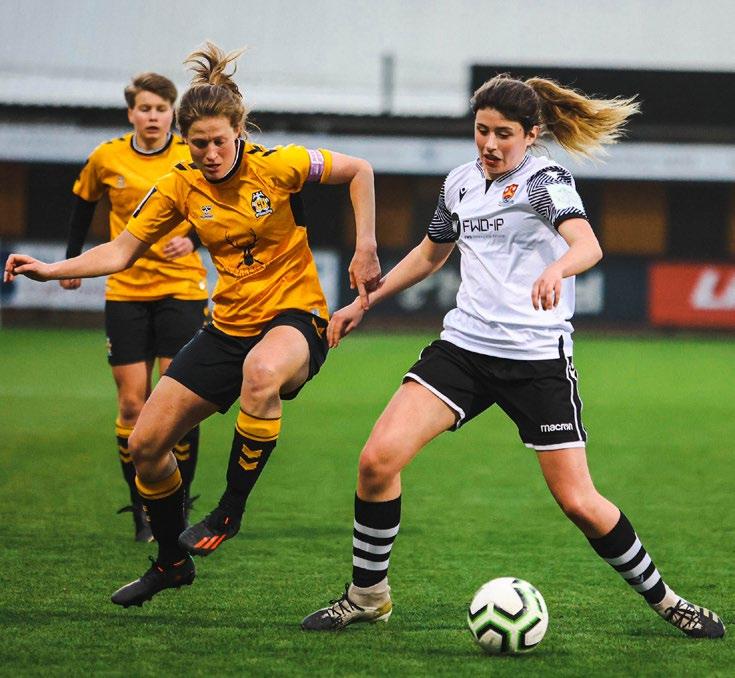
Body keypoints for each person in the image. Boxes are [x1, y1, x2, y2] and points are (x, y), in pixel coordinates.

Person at [299, 74, 725, 640]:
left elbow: (588, 245)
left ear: (531, 134)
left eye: (504, 134)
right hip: (464, 350)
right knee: (377, 462)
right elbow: (430, 254)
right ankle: (367, 597)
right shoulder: (459, 184)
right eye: (482, 131)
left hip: (536, 361)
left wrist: (557, 268)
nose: (490, 144)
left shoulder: (545, 181)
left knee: (579, 502)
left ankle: (669, 602)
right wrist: (364, 302)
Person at [4, 42, 381, 608]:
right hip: (227, 326)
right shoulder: (179, 184)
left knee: (262, 372)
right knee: (145, 444)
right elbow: (121, 250)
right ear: (186, 140)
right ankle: (171, 562)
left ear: (239, 131)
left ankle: (229, 510)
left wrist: (366, 245)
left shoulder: (279, 164)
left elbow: (360, 170)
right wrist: (53, 268)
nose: (210, 153)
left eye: (219, 141)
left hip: (295, 317)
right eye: (199, 143)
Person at [61, 72, 209, 542]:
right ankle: (144, 508)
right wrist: (72, 259)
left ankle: (178, 505)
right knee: (131, 404)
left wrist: (193, 239)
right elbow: (82, 204)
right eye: (145, 108)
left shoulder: (191, 154)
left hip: (182, 289)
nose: (153, 116)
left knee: (178, 403)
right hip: (126, 291)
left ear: (172, 114)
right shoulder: (107, 157)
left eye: (161, 109)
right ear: (131, 113)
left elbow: (219, 204)